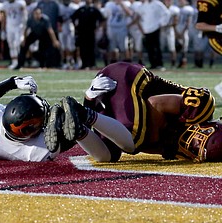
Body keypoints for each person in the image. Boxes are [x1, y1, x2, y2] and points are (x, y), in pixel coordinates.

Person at [44, 61, 222, 163]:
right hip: (124, 78)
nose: (194, 145)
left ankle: (78, 120)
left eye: (198, 149)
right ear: (206, 127)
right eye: (200, 141)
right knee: (134, 139)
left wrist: (90, 101)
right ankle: (83, 113)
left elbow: (145, 146)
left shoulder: (180, 149)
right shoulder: (201, 107)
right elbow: (155, 104)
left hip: (115, 105)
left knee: (108, 155)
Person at [135, 0, 170, 70]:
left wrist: (162, 23)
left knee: (157, 47)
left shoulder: (157, 4)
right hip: (146, 29)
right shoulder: (143, 5)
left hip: (155, 28)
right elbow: (138, 14)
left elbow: (166, 13)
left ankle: (160, 64)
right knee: (149, 48)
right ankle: (153, 64)